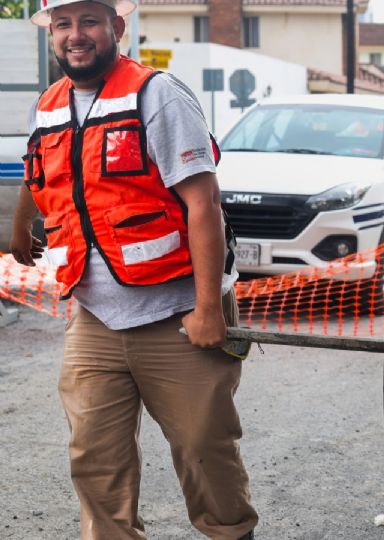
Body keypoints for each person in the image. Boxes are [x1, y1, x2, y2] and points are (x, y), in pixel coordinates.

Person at [9, 1, 257, 538]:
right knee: (95, 458)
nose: (76, 36)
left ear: (117, 27)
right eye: (63, 25)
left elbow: (204, 203)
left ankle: (231, 532)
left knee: (203, 451)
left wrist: (209, 308)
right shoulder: (47, 106)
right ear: (53, 34)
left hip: (178, 312)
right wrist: (18, 228)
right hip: (95, 314)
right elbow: (41, 171)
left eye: (89, 22)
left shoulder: (157, 95)